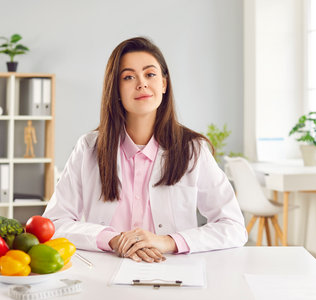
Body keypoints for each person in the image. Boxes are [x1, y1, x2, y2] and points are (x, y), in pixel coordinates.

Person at [43, 37, 247, 263]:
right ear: (116, 90)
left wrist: (168, 241)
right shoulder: (89, 148)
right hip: (104, 274)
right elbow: (54, 224)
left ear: (164, 84)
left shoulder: (192, 150)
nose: (141, 83)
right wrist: (112, 239)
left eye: (150, 74)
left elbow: (233, 227)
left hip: (173, 273)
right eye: (128, 77)